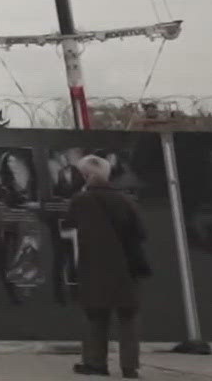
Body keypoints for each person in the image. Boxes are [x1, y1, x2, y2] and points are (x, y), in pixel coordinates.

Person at [68, 153, 150, 379]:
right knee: (128, 318)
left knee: (95, 316)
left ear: (85, 175)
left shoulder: (80, 201)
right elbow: (141, 232)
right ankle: (130, 367)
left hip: (93, 267)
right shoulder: (125, 200)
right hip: (126, 266)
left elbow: (68, 225)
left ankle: (95, 364)